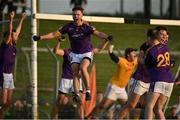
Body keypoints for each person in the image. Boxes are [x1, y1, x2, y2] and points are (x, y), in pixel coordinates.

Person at [32, 6, 112, 101]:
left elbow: (98, 33)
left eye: (78, 14)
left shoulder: (87, 27)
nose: (76, 16)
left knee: (83, 68)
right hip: (75, 54)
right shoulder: (68, 27)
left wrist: (107, 37)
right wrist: (40, 37)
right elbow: (54, 34)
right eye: (74, 14)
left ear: (82, 15)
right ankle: (77, 94)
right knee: (75, 73)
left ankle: (88, 91)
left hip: (86, 53)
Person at [51, 36, 109, 119]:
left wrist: (106, 40)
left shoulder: (86, 52)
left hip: (78, 80)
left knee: (80, 102)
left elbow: (98, 49)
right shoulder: (68, 51)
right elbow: (55, 51)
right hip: (66, 79)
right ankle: (52, 118)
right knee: (60, 101)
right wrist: (59, 41)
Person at [92, 44, 138, 119]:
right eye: (133, 53)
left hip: (122, 89)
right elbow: (114, 58)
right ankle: (91, 117)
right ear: (128, 55)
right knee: (103, 106)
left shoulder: (135, 61)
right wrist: (110, 51)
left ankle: (118, 118)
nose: (135, 54)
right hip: (114, 87)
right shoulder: (122, 61)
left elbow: (141, 54)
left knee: (128, 106)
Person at [118, 28, 155, 119]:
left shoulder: (161, 47)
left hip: (151, 81)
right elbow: (140, 60)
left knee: (150, 107)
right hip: (140, 80)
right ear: (150, 38)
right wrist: (149, 63)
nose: (164, 38)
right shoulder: (145, 46)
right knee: (131, 105)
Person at [0, 11, 26, 118]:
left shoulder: (14, 46)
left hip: (10, 75)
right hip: (3, 75)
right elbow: (12, 31)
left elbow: (17, 31)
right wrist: (11, 19)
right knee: (3, 102)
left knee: (8, 102)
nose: (16, 36)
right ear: (9, 37)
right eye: (14, 35)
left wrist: (22, 19)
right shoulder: (6, 45)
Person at [144, 29, 174, 119]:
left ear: (151, 38)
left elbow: (147, 66)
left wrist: (142, 59)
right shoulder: (166, 47)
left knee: (149, 106)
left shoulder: (152, 51)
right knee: (158, 109)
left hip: (158, 79)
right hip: (169, 80)